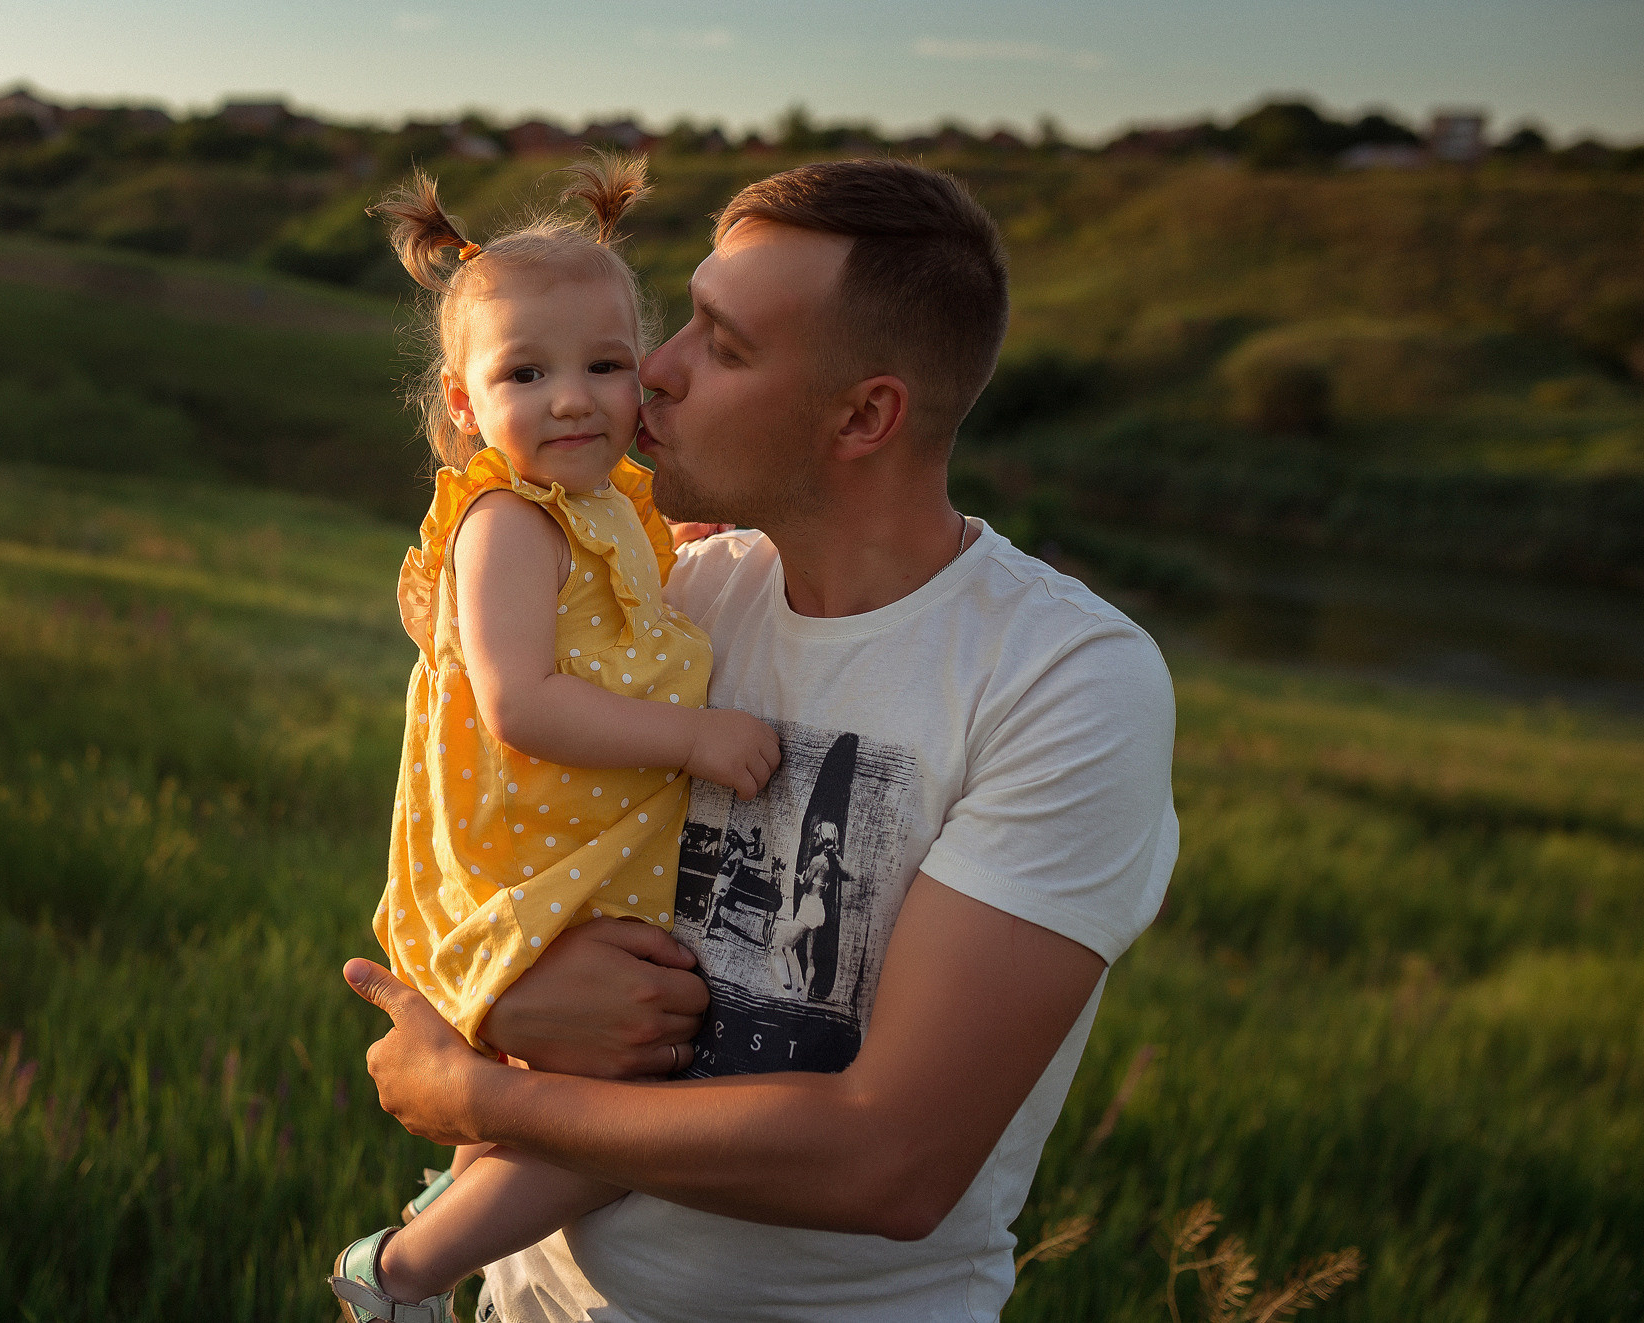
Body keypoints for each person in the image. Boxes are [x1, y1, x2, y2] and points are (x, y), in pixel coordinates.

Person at [345, 159, 1180, 1322]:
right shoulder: (673, 592)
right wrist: (500, 1002)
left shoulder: (1064, 681)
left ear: (865, 415)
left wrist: (476, 1094)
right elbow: (477, 821)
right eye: (679, 320)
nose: (659, 370)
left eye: (723, 347)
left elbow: (890, 1163)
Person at [328, 156, 783, 1323]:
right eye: (526, 372)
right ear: (466, 403)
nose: (572, 398)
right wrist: (694, 737)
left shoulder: (600, 509)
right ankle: (396, 1273)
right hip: (528, 861)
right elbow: (520, 701)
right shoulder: (504, 524)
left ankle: (463, 1197)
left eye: (605, 365)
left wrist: (664, 549)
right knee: (624, 1117)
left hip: (579, 854)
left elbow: (611, 614)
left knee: (573, 1085)